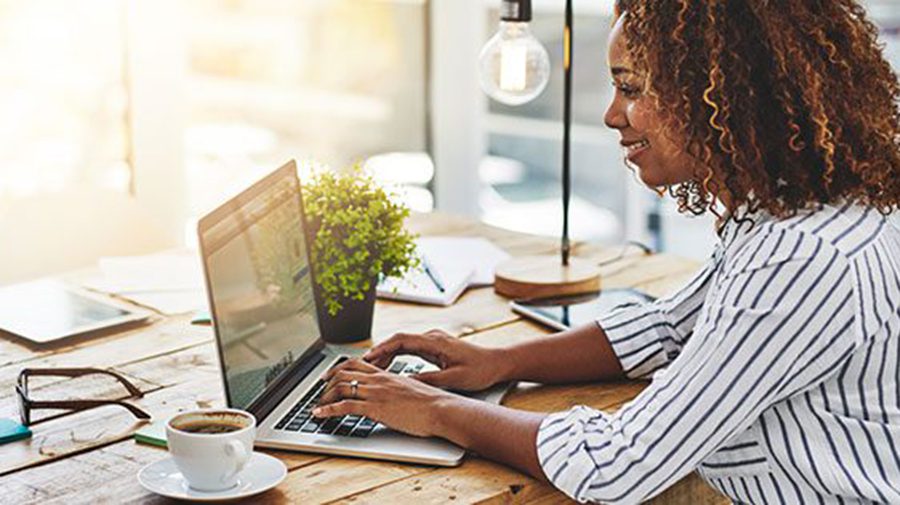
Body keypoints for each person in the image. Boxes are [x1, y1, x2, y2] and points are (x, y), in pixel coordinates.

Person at [313, 1, 900, 503]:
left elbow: (619, 464)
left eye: (631, 88)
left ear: (715, 95)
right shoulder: (802, 211)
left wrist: (433, 411)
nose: (611, 115)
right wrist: (502, 362)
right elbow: (669, 328)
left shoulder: (800, 256)